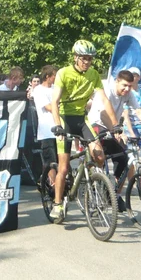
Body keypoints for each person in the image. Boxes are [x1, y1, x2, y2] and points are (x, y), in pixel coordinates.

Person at [50, 40, 118, 223]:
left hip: (81, 119)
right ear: (76, 57)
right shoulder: (64, 73)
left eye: (90, 59)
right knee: (63, 167)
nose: (87, 62)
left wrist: (115, 124)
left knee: (100, 156)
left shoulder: (94, 74)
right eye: (84, 58)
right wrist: (57, 125)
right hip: (64, 119)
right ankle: (57, 204)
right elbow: (55, 101)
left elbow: (104, 99)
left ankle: (93, 183)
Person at [89, 70, 141, 209]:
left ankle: (114, 193)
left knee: (123, 159)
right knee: (100, 157)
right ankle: (95, 183)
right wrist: (116, 130)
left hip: (114, 127)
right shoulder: (106, 91)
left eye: (130, 86)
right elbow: (103, 114)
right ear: (117, 81)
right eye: (124, 85)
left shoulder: (129, 94)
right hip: (98, 124)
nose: (127, 89)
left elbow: (139, 112)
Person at [32, 65, 57, 185]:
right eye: (54, 76)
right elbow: (49, 107)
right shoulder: (38, 90)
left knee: (61, 160)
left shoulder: (55, 89)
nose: (56, 78)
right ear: (47, 76)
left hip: (59, 128)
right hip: (47, 130)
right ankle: (52, 184)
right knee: (50, 161)